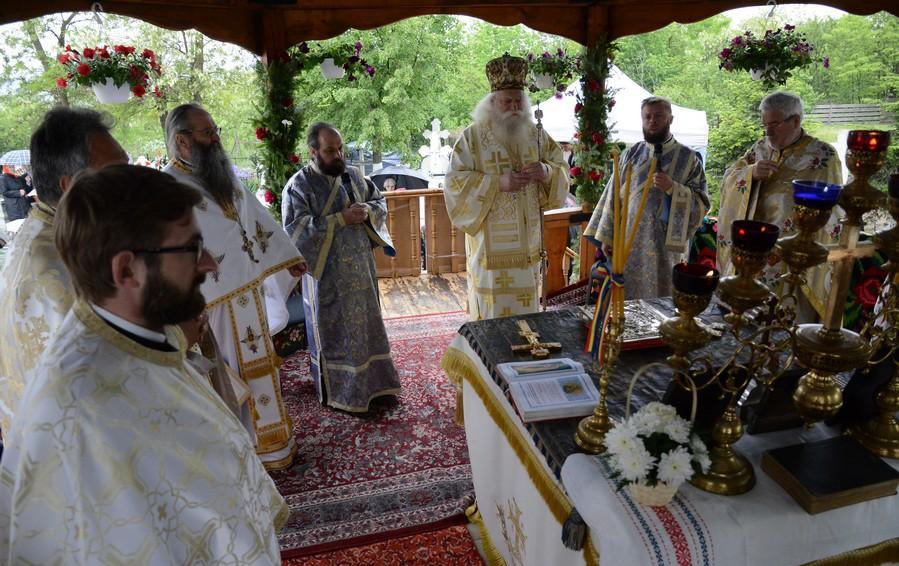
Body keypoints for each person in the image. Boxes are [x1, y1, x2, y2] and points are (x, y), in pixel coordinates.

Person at [0, 164, 287, 564]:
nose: (209, 265)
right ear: (126, 270)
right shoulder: (83, 409)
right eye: (191, 249)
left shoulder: (132, 339)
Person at [163, 103, 306, 470]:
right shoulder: (166, 189)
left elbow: (255, 217)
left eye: (215, 130)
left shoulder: (221, 176)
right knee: (227, 378)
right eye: (207, 133)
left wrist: (288, 256)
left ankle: (274, 444)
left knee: (262, 368)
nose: (215, 139)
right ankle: (243, 451)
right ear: (181, 142)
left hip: (247, 295)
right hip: (210, 304)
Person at [0, 108, 128, 434]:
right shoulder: (51, 269)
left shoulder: (64, 234)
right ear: (71, 186)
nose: (129, 187)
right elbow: (102, 381)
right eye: (115, 175)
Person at [282, 122, 401, 413]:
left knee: (367, 327)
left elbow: (378, 202)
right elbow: (295, 229)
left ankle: (377, 385)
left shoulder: (354, 175)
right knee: (338, 334)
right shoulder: (299, 185)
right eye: (330, 151)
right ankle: (343, 392)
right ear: (313, 151)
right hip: (327, 277)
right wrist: (340, 220)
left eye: (340, 149)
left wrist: (368, 212)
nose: (338, 155)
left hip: (361, 269)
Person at [444, 53, 569, 320]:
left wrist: (545, 172)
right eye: (506, 101)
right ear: (492, 103)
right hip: (491, 254)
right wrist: (497, 183)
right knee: (492, 317)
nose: (514, 107)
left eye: (518, 101)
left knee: (526, 317)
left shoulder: (536, 135)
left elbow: (560, 167)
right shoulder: (472, 138)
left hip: (527, 250)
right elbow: (454, 182)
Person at [718, 91, 842, 318]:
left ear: (796, 120)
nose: (768, 132)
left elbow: (832, 214)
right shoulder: (760, 148)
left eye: (774, 124)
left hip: (793, 259)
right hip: (754, 254)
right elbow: (729, 180)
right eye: (765, 125)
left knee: (786, 325)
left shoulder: (823, 156)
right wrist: (751, 173)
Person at [585, 96, 709, 300]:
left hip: (664, 247)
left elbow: (702, 203)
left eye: (658, 116)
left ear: (670, 119)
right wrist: (608, 235)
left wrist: (673, 188)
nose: (652, 121)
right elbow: (613, 194)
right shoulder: (631, 154)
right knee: (625, 300)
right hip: (627, 242)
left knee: (661, 299)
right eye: (647, 117)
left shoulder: (689, 159)